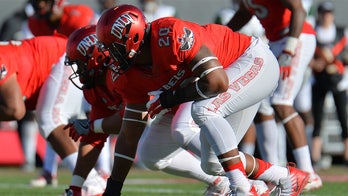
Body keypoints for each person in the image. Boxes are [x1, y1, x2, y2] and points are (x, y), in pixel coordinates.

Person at [96, 4, 311, 195]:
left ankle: (242, 188)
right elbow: (129, 134)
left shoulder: (170, 35)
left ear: (133, 38)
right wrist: (114, 188)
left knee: (203, 110)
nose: (110, 56)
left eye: (113, 48)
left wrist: (171, 98)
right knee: (159, 155)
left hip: (252, 60)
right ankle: (285, 178)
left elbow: (217, 82)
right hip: (212, 85)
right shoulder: (126, 75)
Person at [63, 24, 236, 196]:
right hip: (168, 105)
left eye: (80, 64)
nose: (78, 71)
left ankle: (242, 177)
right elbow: (96, 138)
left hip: (193, 88)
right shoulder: (94, 89)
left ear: (96, 58)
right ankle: (222, 182)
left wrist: (94, 125)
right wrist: (75, 188)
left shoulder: (120, 75)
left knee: (188, 136)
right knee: (151, 156)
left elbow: (130, 121)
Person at [226, 0, 323, 191]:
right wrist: (221, 33)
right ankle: (273, 171)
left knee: (281, 102)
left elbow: (299, 10)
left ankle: (309, 172)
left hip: (296, 37)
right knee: (262, 105)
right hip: (275, 41)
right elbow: (244, 14)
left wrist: (290, 48)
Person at [25, 0, 105, 188]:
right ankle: (49, 171)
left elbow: (88, 47)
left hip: (88, 70)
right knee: (54, 121)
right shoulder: (35, 23)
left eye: (43, 1)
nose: (39, 6)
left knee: (90, 117)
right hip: (62, 69)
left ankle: (102, 171)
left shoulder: (79, 15)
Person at [310, 1, 348, 168]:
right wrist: (315, 63)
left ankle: (346, 157)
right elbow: (307, 57)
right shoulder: (313, 33)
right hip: (318, 80)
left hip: (338, 81)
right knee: (317, 120)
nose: (326, 16)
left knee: (343, 119)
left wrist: (338, 66)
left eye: (328, 13)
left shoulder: (341, 32)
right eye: (323, 13)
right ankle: (315, 158)